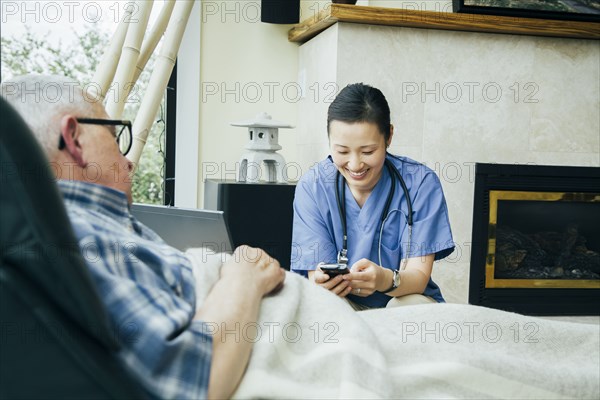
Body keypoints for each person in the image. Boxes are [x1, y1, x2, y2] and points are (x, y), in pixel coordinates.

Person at [1, 74, 285, 400]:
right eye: (113, 134)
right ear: (74, 138)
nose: (130, 161)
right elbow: (191, 380)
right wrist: (243, 277)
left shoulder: (73, 231)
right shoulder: (77, 235)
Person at [291, 83, 454, 310]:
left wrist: (384, 279)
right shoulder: (313, 187)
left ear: (389, 136)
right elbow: (314, 273)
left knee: (404, 307)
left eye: (368, 152)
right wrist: (320, 283)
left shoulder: (420, 183)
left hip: (402, 303)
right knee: (322, 307)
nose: (355, 164)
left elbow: (418, 276)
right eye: (342, 151)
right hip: (344, 306)